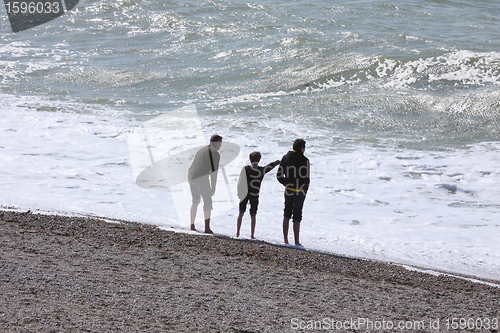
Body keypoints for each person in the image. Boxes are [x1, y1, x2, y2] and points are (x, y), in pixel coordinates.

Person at [236, 152, 280, 239]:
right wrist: (278, 161)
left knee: (241, 213)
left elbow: (240, 181)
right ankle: (252, 235)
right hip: (254, 195)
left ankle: (237, 233)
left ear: (250, 159)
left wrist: (238, 192)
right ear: (259, 160)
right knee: (253, 215)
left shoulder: (245, 168)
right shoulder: (261, 170)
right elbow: (270, 166)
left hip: (244, 194)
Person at [276, 138, 310, 246]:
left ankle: (285, 240)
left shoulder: (285, 158)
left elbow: (279, 175)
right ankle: (296, 242)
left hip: (289, 190)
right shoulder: (305, 160)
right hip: (300, 191)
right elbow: (306, 179)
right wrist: (305, 190)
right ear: (302, 148)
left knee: (286, 214)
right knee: (297, 216)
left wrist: (286, 183)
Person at [188, 134, 223, 233]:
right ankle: (207, 228)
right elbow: (214, 172)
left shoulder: (201, 150)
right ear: (216, 143)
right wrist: (213, 187)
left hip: (191, 176)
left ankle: (192, 225)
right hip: (201, 177)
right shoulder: (215, 153)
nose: (221, 145)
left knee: (195, 200)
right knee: (208, 201)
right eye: (220, 143)